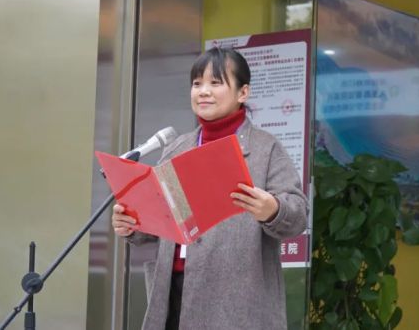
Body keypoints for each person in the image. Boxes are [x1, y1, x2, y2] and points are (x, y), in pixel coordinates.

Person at [112, 47, 308, 330]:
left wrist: (273, 209)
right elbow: (166, 218)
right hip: (172, 295)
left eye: (215, 83)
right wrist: (133, 224)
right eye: (197, 83)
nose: (203, 91)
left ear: (243, 93)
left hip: (236, 302)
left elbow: (298, 215)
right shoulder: (177, 148)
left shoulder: (266, 149)